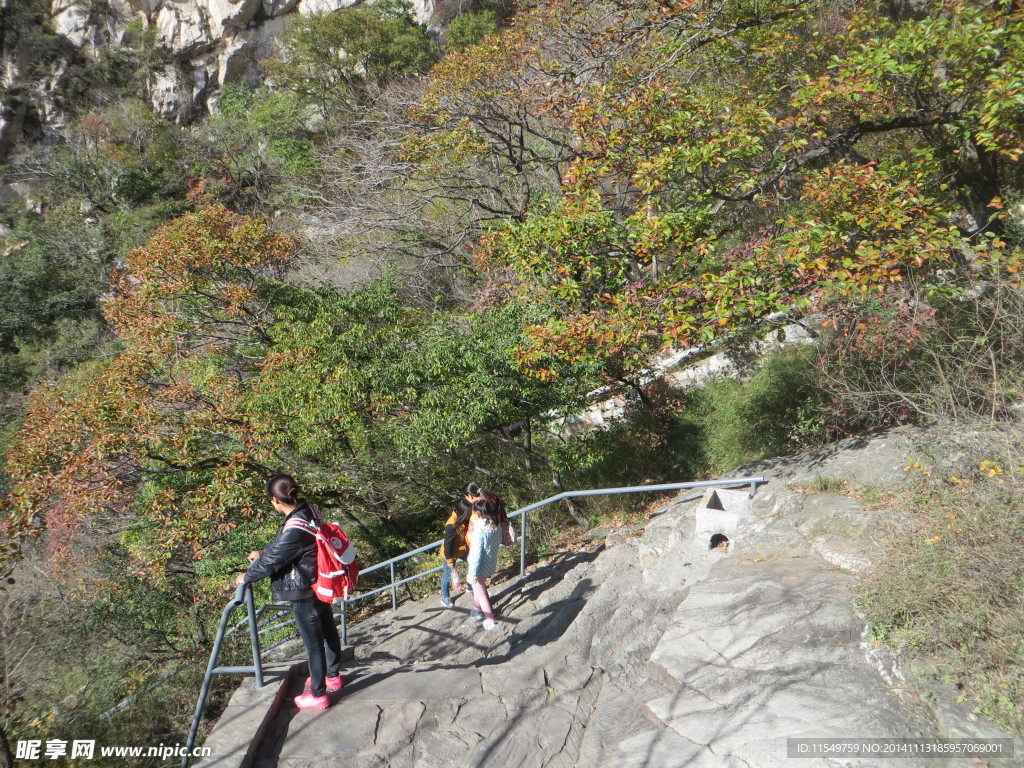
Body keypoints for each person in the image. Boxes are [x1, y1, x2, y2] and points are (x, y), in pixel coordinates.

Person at [235, 474, 344, 710]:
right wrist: (262, 553)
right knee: (327, 630)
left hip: (304, 587)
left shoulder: (295, 526)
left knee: (313, 643)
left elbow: (276, 559)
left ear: (275, 500)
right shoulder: (307, 510)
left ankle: (318, 694)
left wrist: (247, 577)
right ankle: (332, 676)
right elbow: (282, 546)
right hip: (319, 579)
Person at [465, 497, 503, 631]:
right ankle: (476, 609)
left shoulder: (479, 531)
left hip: (479, 566)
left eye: (474, 513)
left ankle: (490, 620)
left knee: (480, 590)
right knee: (478, 588)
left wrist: (471, 574)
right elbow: (499, 541)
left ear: (479, 513)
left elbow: (475, 556)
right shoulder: (495, 524)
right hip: (490, 562)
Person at [439, 496, 472, 608]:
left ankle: (469, 584)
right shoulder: (451, 525)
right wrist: (449, 561)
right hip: (449, 553)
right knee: (447, 576)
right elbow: (447, 544)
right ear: (462, 513)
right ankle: (444, 597)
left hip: (461, 549)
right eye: (468, 513)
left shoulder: (462, 519)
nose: (469, 515)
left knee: (473, 561)